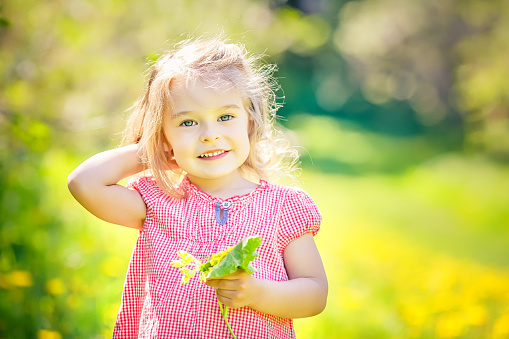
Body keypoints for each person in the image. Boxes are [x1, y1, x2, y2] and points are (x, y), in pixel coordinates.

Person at [67, 36, 328, 339]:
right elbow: (83, 182)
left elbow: (314, 293)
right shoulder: (158, 201)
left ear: (250, 122)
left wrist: (259, 293)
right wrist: (155, 150)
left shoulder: (285, 208)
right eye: (188, 123)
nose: (210, 135)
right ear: (164, 135)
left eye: (226, 117)